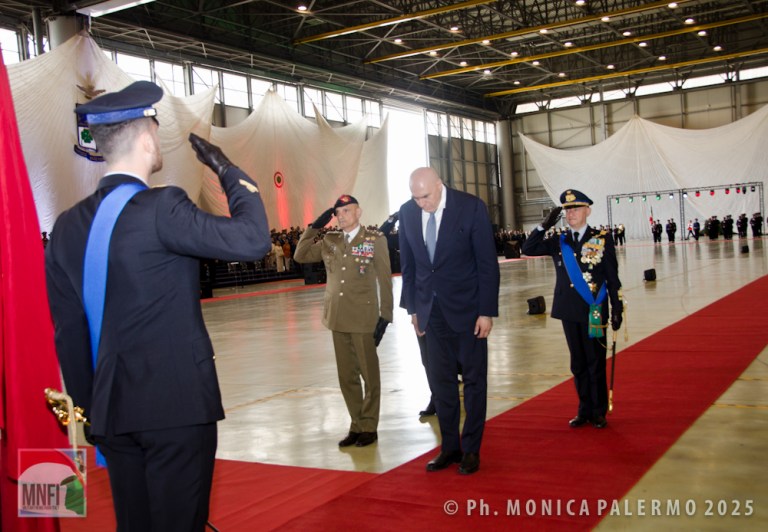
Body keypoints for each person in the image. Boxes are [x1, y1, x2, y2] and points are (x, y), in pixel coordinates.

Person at [44, 81, 271, 530]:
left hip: (111, 413)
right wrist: (228, 171)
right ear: (147, 138)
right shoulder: (162, 207)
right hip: (177, 410)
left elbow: (67, 333)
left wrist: (93, 413)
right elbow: (252, 239)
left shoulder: (66, 227)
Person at [398, 167, 500, 475]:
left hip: (468, 312)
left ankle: (471, 449)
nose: (421, 204)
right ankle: (449, 447)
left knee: (473, 381)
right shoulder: (407, 212)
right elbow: (410, 264)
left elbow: (486, 263)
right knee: (440, 383)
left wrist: (486, 311)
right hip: (431, 313)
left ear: (440, 185)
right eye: (416, 198)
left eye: (426, 196)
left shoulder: (470, 207)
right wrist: (413, 309)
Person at [294, 195, 393, 448]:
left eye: (346, 211)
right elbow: (301, 255)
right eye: (337, 212)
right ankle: (357, 424)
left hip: (363, 317)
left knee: (369, 376)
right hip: (337, 317)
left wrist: (386, 315)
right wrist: (315, 227)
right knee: (346, 376)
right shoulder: (330, 240)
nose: (341, 216)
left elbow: (384, 278)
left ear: (358, 212)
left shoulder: (374, 240)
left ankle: (369, 425)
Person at [522, 189, 623, 429]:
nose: (571, 213)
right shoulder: (559, 240)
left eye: (576, 208)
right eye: (567, 210)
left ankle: (598, 411)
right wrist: (543, 225)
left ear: (587, 210)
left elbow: (612, 276)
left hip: (594, 311)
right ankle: (584, 409)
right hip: (568, 310)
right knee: (577, 362)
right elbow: (527, 248)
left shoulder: (601, 238)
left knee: (595, 361)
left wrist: (617, 306)